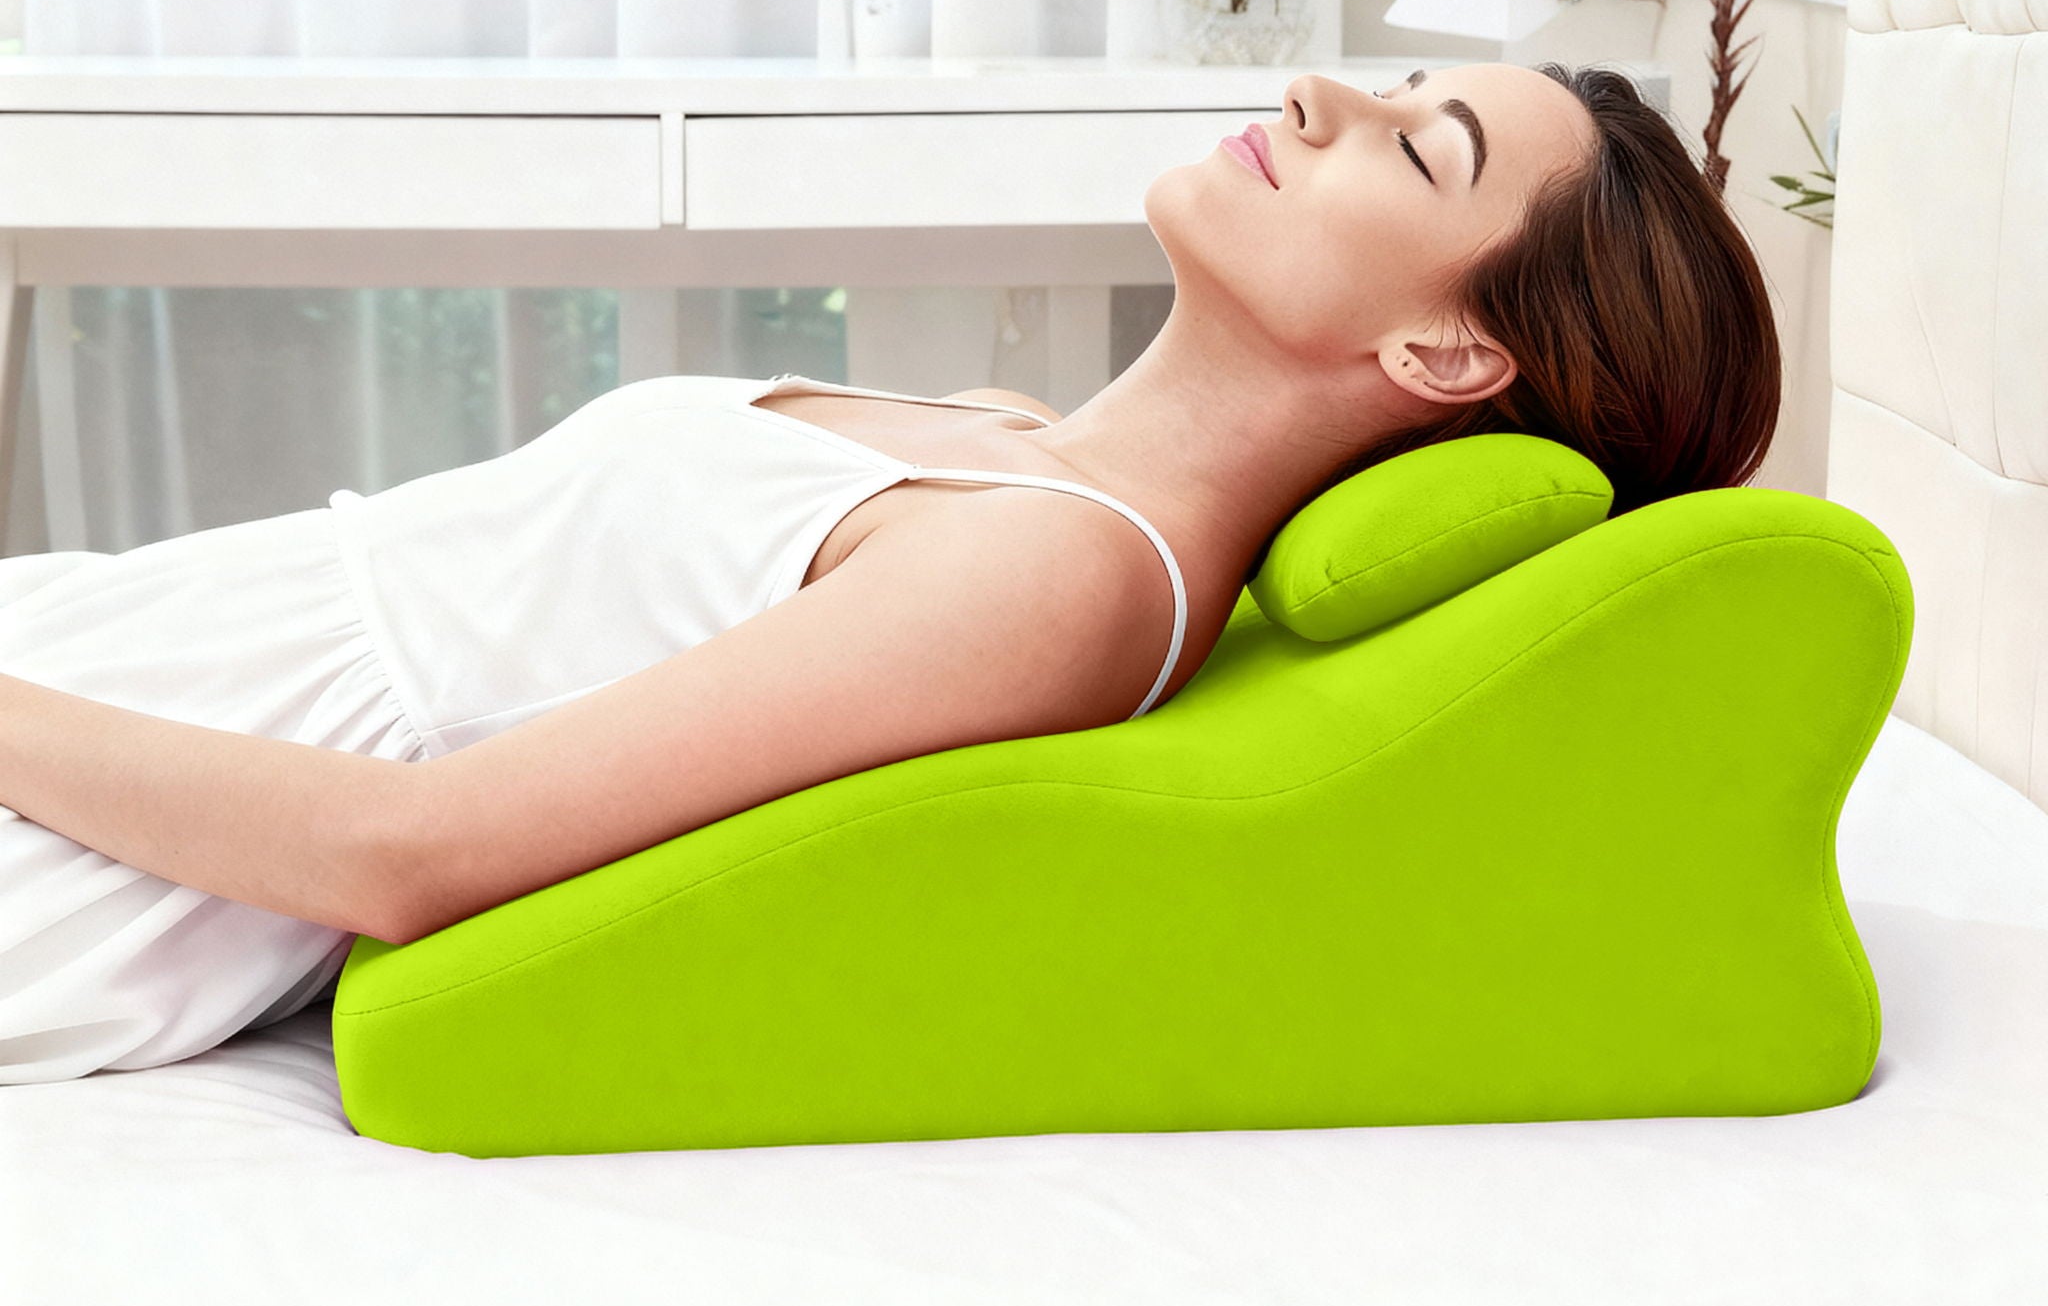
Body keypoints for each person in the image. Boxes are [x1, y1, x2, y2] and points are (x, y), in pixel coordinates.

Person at [0, 61, 1779, 1083]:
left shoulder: (1062, 576)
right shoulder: (1013, 440)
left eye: (1414, 145)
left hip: (103, 839)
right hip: (107, 667)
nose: (1321, 91)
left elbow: (408, 854)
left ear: (1448, 355)